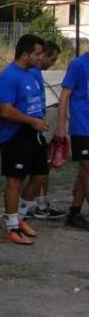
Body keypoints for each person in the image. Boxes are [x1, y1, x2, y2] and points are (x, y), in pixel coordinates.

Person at [0, 34, 48, 245]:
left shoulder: (32, 74)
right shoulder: (8, 77)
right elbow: (5, 110)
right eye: (37, 54)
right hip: (15, 136)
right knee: (14, 181)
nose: (41, 57)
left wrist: (40, 120)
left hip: (34, 133)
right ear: (25, 54)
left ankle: (21, 217)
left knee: (40, 176)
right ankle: (12, 227)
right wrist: (31, 121)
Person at [24, 41, 66, 220]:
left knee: (41, 169)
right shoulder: (30, 73)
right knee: (37, 171)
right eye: (52, 59)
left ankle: (41, 204)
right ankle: (23, 210)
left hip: (39, 125)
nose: (52, 64)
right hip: (31, 128)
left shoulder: (36, 73)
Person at [55, 49, 89, 230]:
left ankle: (74, 213)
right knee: (87, 167)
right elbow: (64, 95)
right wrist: (61, 125)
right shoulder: (78, 64)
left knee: (84, 172)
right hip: (82, 126)